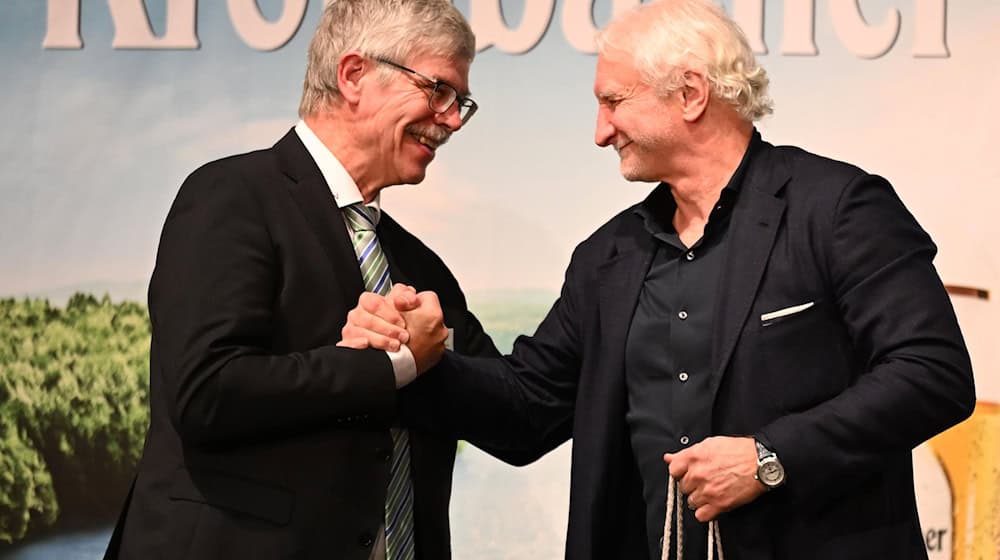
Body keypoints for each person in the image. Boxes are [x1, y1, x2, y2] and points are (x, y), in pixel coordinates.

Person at [341, 0, 977, 558]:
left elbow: (932, 374)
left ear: (691, 95)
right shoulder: (607, 257)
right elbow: (527, 411)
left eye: (613, 102)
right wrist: (422, 359)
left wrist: (769, 457)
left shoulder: (837, 207)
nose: (599, 133)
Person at [103, 1, 502, 559]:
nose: (452, 119)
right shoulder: (231, 197)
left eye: (461, 103)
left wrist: (622, 283)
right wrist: (392, 364)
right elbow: (207, 393)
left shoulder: (421, 269)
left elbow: (518, 412)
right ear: (355, 75)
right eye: (438, 91)